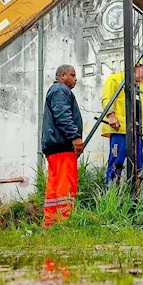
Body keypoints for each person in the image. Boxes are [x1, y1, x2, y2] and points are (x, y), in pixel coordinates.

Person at [101, 63, 143, 183]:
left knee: (139, 164)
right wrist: (111, 116)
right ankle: (111, 193)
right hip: (121, 129)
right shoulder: (115, 79)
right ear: (135, 67)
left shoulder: (141, 88)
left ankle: (137, 194)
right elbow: (107, 98)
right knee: (116, 161)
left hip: (138, 131)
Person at [42, 64, 84, 226]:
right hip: (62, 146)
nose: (75, 79)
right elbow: (62, 114)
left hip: (54, 147)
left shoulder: (55, 90)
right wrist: (75, 137)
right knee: (66, 184)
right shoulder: (60, 90)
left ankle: (50, 222)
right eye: (72, 75)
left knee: (54, 185)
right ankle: (64, 220)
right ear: (62, 76)